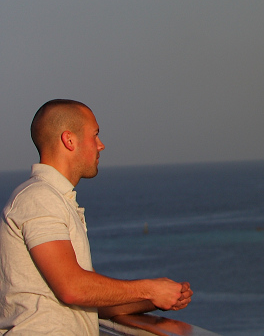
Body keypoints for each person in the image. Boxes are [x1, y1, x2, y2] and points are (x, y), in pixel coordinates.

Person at [1, 100, 192, 334]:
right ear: (69, 140)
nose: (101, 145)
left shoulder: (54, 199)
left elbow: (86, 297)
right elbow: (72, 287)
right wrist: (149, 289)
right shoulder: (39, 198)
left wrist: (155, 300)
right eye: (95, 135)